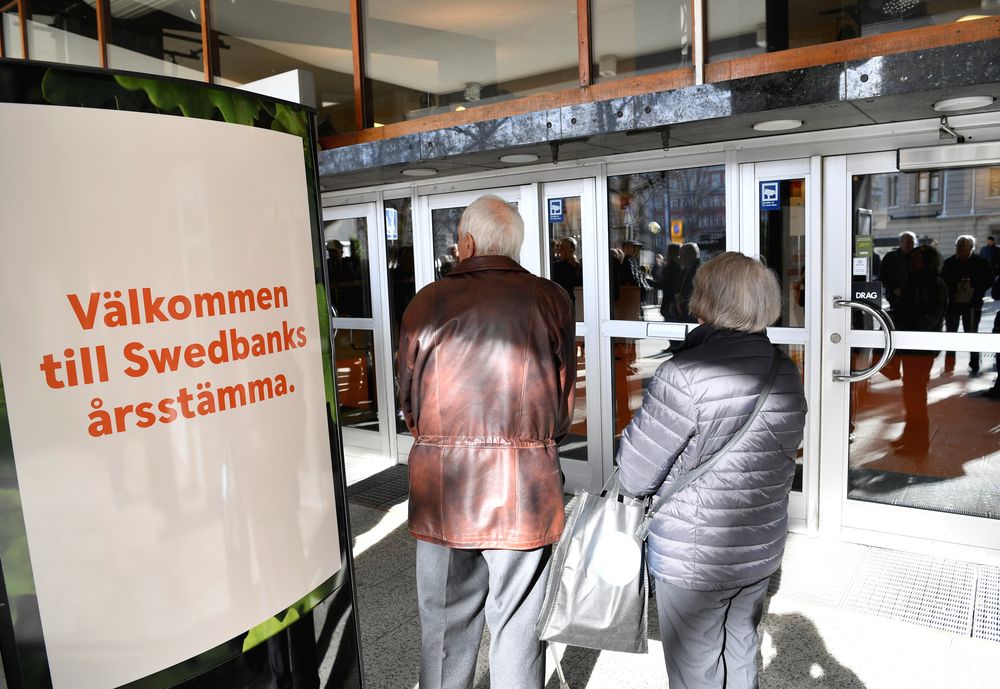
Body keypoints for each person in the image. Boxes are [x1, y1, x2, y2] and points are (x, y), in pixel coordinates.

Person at [397, 195, 576, 689]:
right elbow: (562, 408)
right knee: (518, 624)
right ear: (514, 247)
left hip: (443, 489)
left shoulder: (426, 302)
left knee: (444, 626)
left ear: (467, 243)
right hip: (526, 488)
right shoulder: (551, 300)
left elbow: (409, 403)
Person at [617, 251, 807, 689]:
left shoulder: (683, 374)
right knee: (741, 650)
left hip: (693, 557)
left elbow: (633, 474)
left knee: (695, 668)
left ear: (706, 301)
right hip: (759, 547)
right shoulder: (785, 370)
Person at [892, 245, 948, 454]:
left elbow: (928, 317)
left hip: (920, 348)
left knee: (915, 395)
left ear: (927, 261)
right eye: (912, 258)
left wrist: (906, 329)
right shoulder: (917, 281)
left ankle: (918, 443)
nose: (912, 262)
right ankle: (910, 436)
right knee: (911, 394)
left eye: (917, 259)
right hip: (915, 347)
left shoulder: (931, 283)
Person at [941, 235, 994, 375]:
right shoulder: (949, 262)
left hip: (972, 303)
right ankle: (949, 364)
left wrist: (976, 287)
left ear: (971, 247)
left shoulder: (980, 262)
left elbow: (989, 279)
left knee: (972, 334)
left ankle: (975, 363)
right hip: (953, 304)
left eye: (963, 246)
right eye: (958, 246)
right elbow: (942, 281)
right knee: (951, 334)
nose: (960, 249)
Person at [878, 231, 916, 317]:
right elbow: (883, 277)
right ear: (900, 242)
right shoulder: (890, 257)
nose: (910, 245)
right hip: (895, 298)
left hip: (915, 298)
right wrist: (894, 288)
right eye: (907, 242)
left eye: (912, 242)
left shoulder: (917, 257)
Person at [550, 236, 582, 304]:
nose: (559, 250)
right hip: (568, 300)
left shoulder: (560, 266)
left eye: (561, 247)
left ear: (570, 250)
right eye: (558, 247)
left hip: (561, 300)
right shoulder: (576, 266)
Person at [676, 242, 701, 322]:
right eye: (680, 255)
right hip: (684, 314)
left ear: (693, 255)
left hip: (694, 316)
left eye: (683, 255)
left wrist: (685, 299)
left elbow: (702, 295)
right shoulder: (684, 271)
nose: (680, 258)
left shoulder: (700, 272)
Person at [657, 243, 682, 321]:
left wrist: (648, 282)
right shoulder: (680, 267)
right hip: (676, 304)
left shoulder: (670, 267)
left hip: (669, 304)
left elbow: (664, 284)